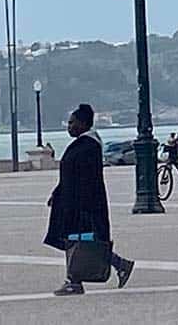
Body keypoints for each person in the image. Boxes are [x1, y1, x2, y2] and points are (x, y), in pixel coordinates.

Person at [44, 104, 134, 296]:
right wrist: (57, 192)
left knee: (80, 242)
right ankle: (119, 264)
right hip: (73, 202)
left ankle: (74, 281)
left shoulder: (88, 146)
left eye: (72, 123)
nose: (69, 127)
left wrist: (82, 205)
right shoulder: (83, 144)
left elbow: (87, 178)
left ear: (83, 124)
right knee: (78, 242)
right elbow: (70, 175)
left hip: (83, 204)